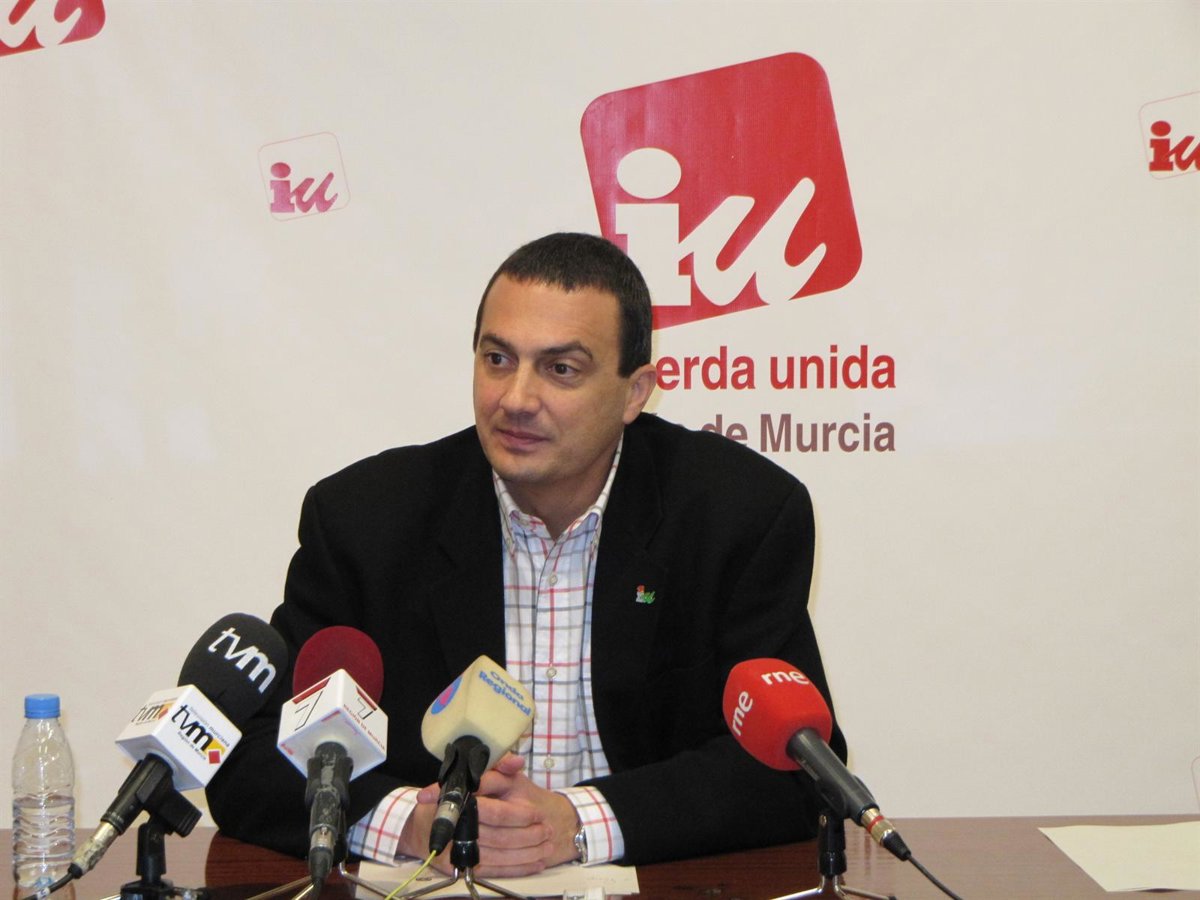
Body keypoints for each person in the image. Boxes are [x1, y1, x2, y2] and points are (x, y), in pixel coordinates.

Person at [206, 232, 847, 875]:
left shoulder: (737, 515)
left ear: (635, 392)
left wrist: (575, 822)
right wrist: (411, 824)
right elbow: (252, 758)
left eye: (560, 369)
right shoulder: (366, 520)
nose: (515, 399)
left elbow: (798, 769)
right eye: (497, 359)